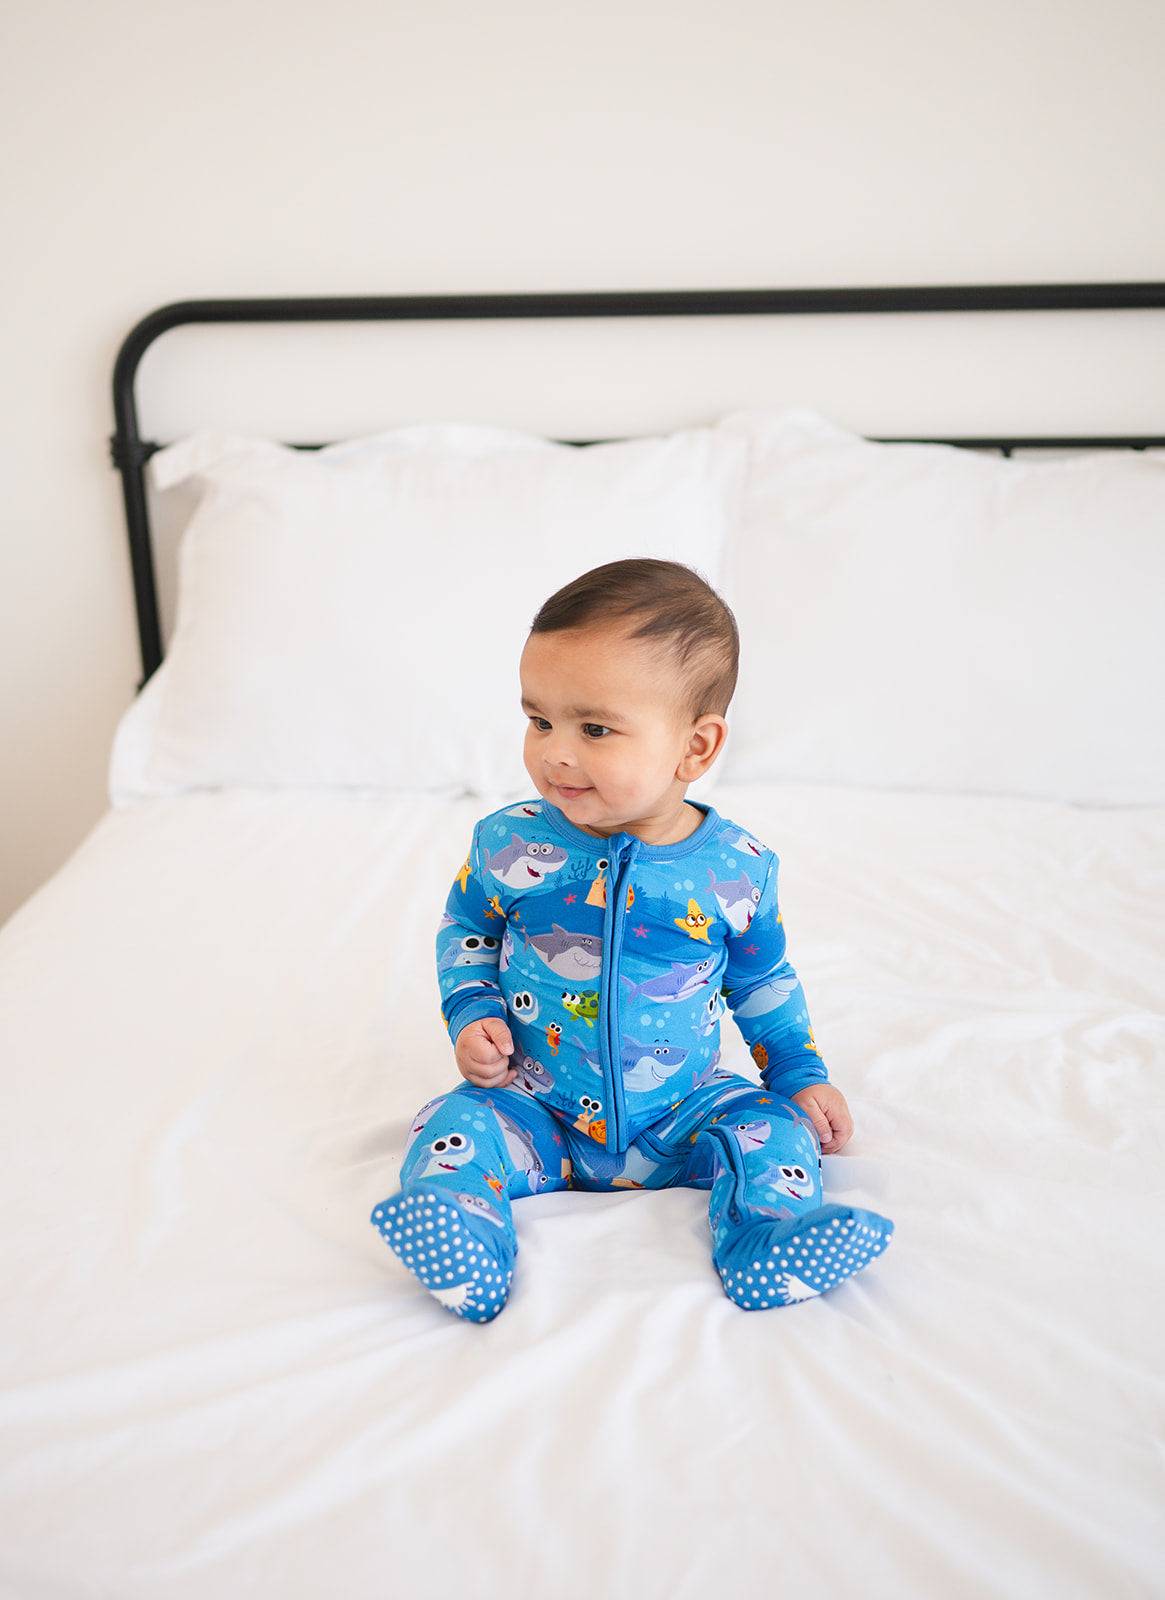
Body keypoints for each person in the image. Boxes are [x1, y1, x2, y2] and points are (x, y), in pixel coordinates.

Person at [370, 558, 893, 1321]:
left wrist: (798, 1075)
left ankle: (768, 1238)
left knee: (772, 1131)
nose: (553, 751)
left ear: (696, 748)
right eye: (538, 719)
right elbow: (466, 931)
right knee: (451, 1126)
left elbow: (762, 981)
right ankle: (464, 1238)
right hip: (536, 1105)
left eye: (594, 729)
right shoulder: (508, 844)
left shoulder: (734, 870)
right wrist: (471, 1008)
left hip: (681, 1110)